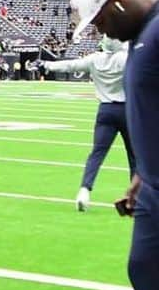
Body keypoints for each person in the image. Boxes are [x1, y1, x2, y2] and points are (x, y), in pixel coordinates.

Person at [66, 0, 159, 290]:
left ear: (116, 2)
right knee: (144, 267)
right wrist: (142, 176)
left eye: (99, 21)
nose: (100, 31)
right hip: (154, 184)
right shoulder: (140, 38)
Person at [29, 36, 134, 211]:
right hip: (126, 110)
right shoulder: (126, 58)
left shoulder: (94, 59)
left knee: (97, 154)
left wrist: (46, 65)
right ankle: (136, 196)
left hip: (105, 109)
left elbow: (70, 65)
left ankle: (84, 190)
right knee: (134, 156)